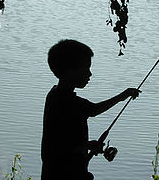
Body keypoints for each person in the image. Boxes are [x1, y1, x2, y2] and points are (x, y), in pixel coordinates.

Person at [41, 39, 141, 180]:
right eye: (86, 68)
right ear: (70, 72)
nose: (90, 74)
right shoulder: (68, 102)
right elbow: (93, 110)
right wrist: (122, 96)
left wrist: (86, 146)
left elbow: (59, 144)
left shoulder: (53, 96)